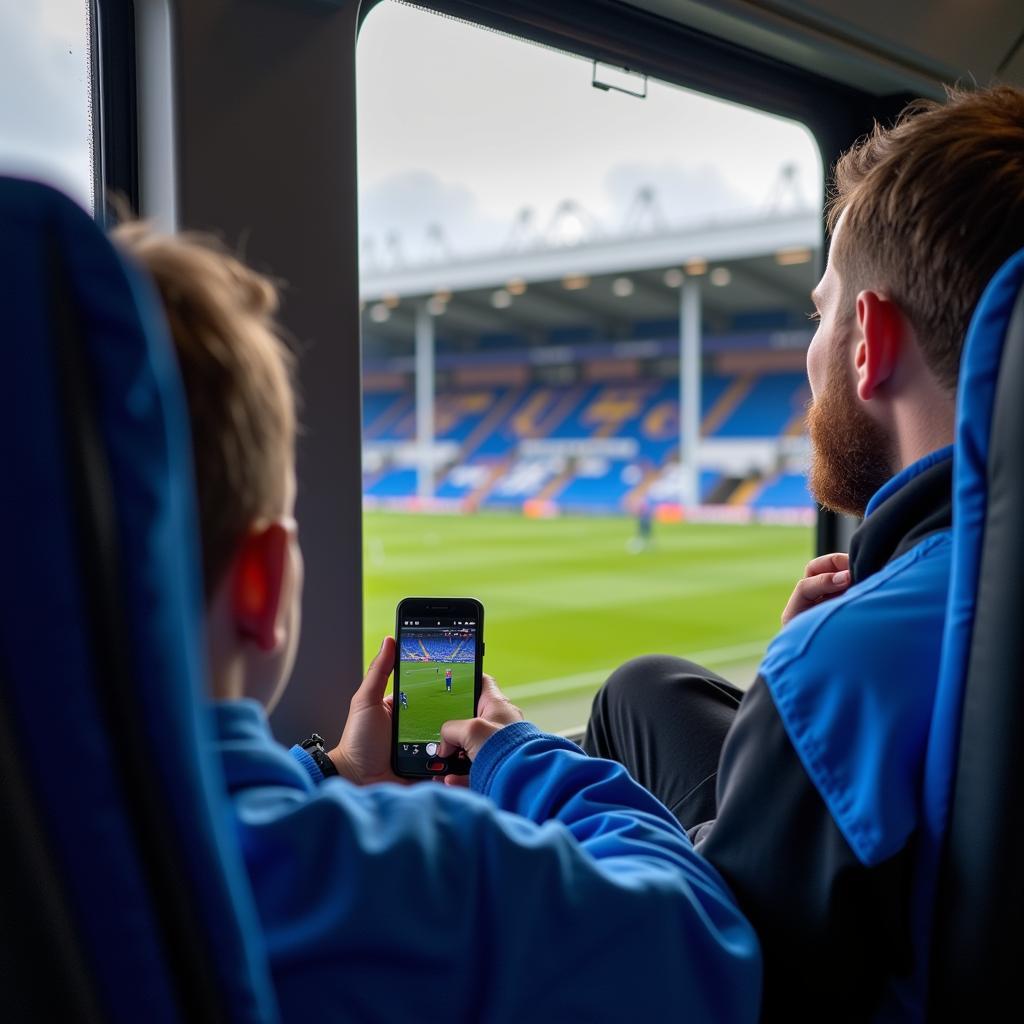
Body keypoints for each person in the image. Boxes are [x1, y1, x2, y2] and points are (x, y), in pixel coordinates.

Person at [112, 223, 760, 1022]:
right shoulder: (411, 878)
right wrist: (522, 756)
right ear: (262, 582)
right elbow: (702, 947)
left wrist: (331, 772)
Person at [583, 84, 1024, 1020]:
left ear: (868, 341)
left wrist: (510, 762)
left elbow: (702, 967)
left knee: (608, 733)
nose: (809, 349)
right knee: (646, 689)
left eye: (822, 313)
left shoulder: (846, 664)